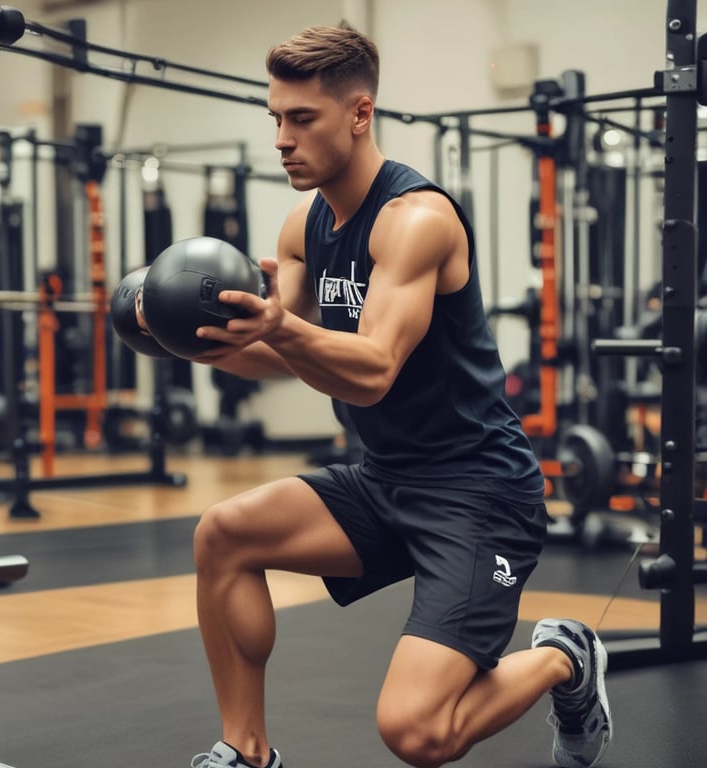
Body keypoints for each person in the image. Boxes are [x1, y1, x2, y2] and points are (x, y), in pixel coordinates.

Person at [185, 23, 612, 768]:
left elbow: (373, 366)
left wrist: (278, 328)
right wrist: (190, 338)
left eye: (303, 119)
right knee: (223, 534)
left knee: (416, 734)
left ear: (359, 113)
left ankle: (564, 659)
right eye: (276, 120)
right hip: (386, 480)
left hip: (479, 493)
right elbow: (275, 355)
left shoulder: (417, 220)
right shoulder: (303, 226)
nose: (282, 139)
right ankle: (245, 750)